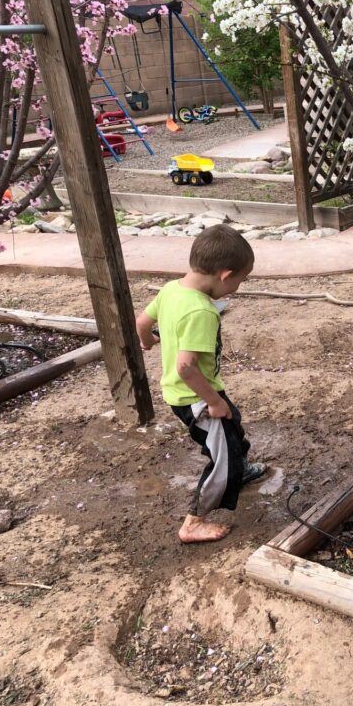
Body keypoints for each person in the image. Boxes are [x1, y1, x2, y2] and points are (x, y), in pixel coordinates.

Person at [136, 224, 266, 543]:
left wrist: (148, 341)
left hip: (195, 392)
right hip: (195, 397)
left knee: (232, 426)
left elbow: (141, 322)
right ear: (225, 275)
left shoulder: (171, 290)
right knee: (224, 455)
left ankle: (241, 467)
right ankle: (194, 522)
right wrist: (214, 401)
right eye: (240, 280)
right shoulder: (201, 311)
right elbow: (186, 367)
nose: (238, 287)